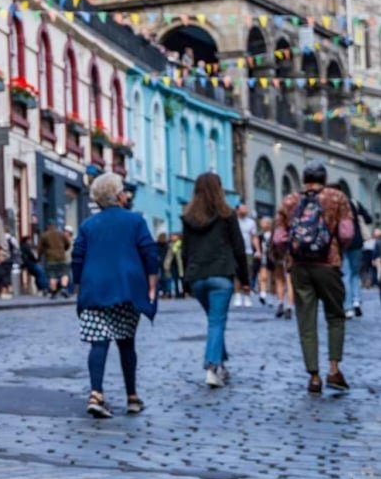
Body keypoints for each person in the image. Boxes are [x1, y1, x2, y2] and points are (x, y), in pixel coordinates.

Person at [72, 173, 160, 419]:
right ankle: (132, 397)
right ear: (119, 195)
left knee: (98, 343)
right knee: (126, 342)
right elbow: (149, 252)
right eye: (124, 191)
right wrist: (152, 282)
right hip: (126, 289)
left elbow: (77, 257)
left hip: (94, 289)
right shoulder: (135, 221)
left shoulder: (88, 225)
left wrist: (79, 286)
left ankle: (96, 394)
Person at [273, 160, 354, 394]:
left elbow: (278, 238)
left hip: (299, 266)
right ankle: (334, 369)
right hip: (328, 264)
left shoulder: (289, 201)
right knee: (335, 316)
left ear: (304, 179)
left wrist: (287, 253)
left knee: (306, 321)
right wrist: (337, 246)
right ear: (324, 178)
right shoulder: (336, 198)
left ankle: (314, 376)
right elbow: (347, 232)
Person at [181, 173, 250, 389]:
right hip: (221, 275)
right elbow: (239, 247)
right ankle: (212, 367)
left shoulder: (188, 216)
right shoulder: (227, 214)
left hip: (198, 278)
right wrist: (245, 279)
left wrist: (186, 281)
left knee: (214, 321)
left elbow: (185, 251)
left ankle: (222, 363)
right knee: (216, 322)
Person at [342, 203, 372, 318]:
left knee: (346, 274)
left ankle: (348, 307)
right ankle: (356, 300)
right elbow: (368, 219)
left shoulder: (334, 203)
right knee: (355, 274)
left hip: (342, 243)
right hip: (357, 242)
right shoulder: (354, 203)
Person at [261, 216, 292, 318]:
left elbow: (271, 242)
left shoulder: (277, 221)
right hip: (290, 254)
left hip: (278, 253)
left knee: (279, 279)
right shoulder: (293, 219)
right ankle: (289, 307)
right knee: (289, 280)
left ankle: (280, 303)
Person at [235, 203, 259, 307]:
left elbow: (254, 237)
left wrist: (258, 250)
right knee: (236, 273)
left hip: (248, 251)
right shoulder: (233, 221)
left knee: (248, 274)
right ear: (237, 210)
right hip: (235, 251)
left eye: (246, 208)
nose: (245, 210)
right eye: (243, 208)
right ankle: (237, 295)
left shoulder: (251, 223)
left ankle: (247, 296)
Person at [39, 221, 71, 298]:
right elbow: (68, 244)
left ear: (48, 226)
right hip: (61, 257)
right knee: (65, 274)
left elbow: (40, 248)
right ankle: (64, 288)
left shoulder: (44, 235)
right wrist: (63, 249)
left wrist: (39, 256)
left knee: (52, 275)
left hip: (51, 259)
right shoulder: (61, 234)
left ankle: (53, 292)